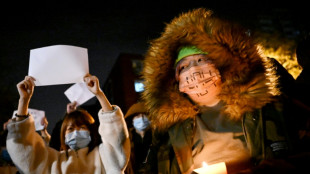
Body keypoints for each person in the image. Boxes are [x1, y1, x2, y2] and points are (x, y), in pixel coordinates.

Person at [141, 8, 309, 174]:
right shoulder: (167, 131)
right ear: (175, 80)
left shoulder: (273, 108)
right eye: (183, 66)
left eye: (201, 60)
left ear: (223, 66)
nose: (194, 71)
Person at [6, 74, 130, 173]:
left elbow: (115, 136)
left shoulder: (103, 156)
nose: (76, 131)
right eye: (70, 129)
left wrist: (99, 94)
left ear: (91, 132)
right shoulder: (53, 160)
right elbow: (24, 152)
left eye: (82, 127)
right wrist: (23, 100)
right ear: (63, 135)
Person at [124, 102, 152, 174]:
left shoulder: (158, 137)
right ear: (131, 121)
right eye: (137, 116)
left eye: (145, 115)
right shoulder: (127, 141)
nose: (142, 118)